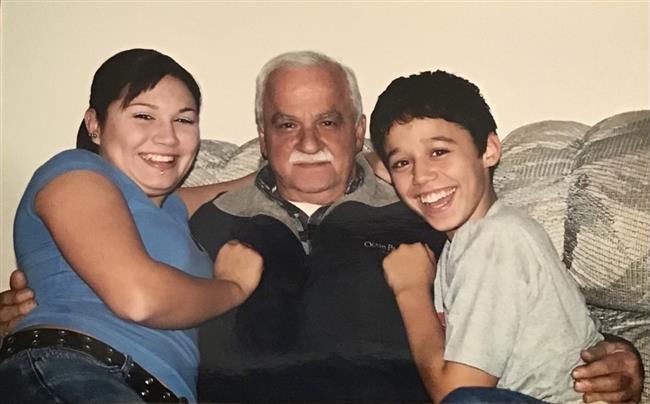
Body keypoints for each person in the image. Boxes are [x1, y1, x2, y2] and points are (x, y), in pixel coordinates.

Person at [1, 50, 644, 403]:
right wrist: (22, 307)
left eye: (329, 122)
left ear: (358, 131)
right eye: (286, 124)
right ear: (262, 136)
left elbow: (529, 308)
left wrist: (619, 356)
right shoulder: (198, 221)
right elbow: (95, 273)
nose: (308, 143)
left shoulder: (427, 212)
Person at [0, 48, 263, 403]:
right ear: (95, 125)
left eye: (183, 120)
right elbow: (138, 298)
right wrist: (232, 287)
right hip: (77, 368)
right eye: (143, 115)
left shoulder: (173, 208)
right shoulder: (73, 173)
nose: (168, 137)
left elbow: (261, 181)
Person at [371, 70, 607, 403]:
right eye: (402, 163)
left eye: (438, 152)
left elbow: (457, 392)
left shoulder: (496, 239)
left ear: (489, 150)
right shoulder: (461, 247)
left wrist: (410, 290)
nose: (421, 176)